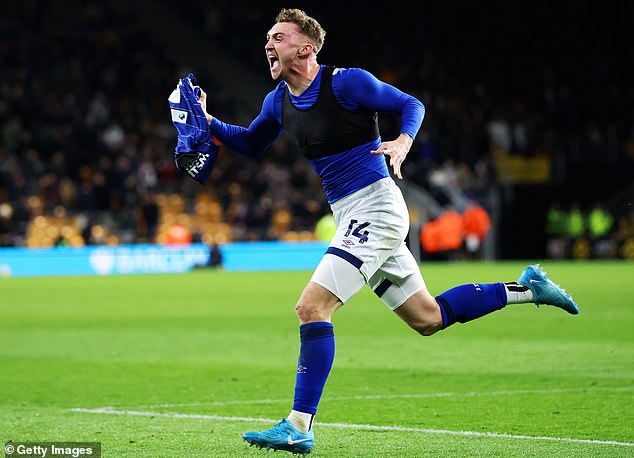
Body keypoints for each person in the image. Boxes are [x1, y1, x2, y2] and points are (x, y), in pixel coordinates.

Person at [196, 8, 579, 455]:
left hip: (376, 206)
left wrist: (402, 141)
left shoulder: (346, 82)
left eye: (278, 37)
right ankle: (529, 288)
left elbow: (410, 105)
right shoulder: (277, 100)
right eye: (267, 37)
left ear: (306, 48)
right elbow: (251, 142)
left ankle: (299, 424)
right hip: (350, 214)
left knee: (311, 306)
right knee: (427, 318)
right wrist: (207, 122)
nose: (268, 44)